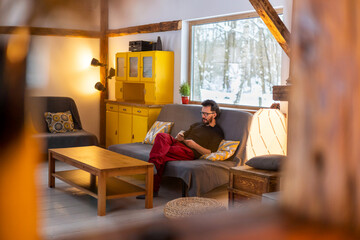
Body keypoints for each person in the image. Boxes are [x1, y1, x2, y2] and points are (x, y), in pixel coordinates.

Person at [137, 99, 224, 199]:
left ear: (214, 114)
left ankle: (152, 186)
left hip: (189, 151)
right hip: (178, 143)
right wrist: (180, 136)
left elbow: (210, 152)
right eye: (202, 113)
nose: (203, 116)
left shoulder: (217, 132)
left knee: (161, 153)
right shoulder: (197, 125)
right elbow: (184, 135)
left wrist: (194, 145)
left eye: (206, 114)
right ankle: (155, 165)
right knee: (161, 136)